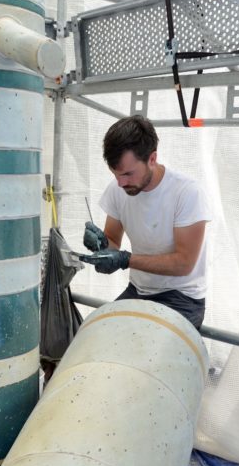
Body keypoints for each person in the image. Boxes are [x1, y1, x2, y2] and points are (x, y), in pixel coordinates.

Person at [80, 116, 210, 331]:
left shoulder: (187, 193)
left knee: (145, 352)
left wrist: (125, 260)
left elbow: (184, 263)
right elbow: (112, 240)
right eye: (116, 174)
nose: (121, 183)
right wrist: (101, 247)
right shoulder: (118, 188)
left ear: (152, 159)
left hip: (182, 298)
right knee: (93, 334)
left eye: (128, 174)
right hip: (138, 291)